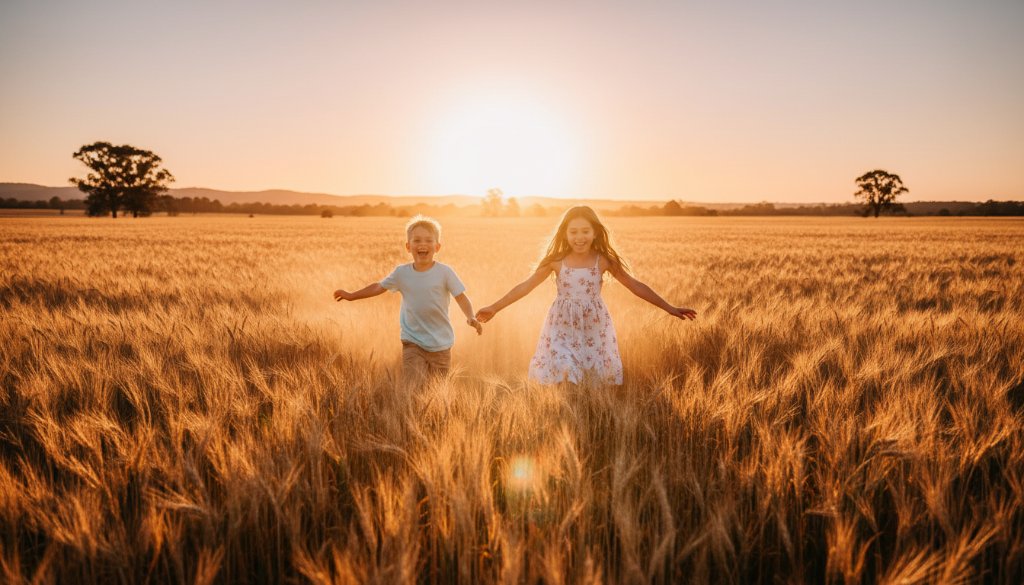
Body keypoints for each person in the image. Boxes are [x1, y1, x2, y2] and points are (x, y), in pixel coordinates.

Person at [475, 206, 695, 385]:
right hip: (561, 325)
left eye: (585, 231)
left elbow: (635, 286)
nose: (579, 237)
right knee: (564, 368)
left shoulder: (604, 261)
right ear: (565, 234)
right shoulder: (556, 260)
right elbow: (525, 286)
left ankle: (588, 419)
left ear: (595, 232)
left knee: (593, 375)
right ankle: (567, 420)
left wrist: (669, 308)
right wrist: (495, 307)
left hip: (594, 326)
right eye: (573, 232)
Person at [334, 215, 482, 386]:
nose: (422, 244)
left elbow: (461, 297)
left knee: (438, 389)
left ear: (437, 247)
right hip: (413, 341)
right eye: (417, 240)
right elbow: (378, 287)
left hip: (441, 344)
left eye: (428, 240)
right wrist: (351, 295)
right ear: (408, 246)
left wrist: (471, 316)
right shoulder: (401, 273)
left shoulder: (445, 272)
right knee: (412, 386)